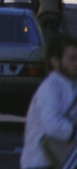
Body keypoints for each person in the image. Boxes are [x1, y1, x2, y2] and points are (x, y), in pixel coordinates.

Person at [21, 33, 77, 169]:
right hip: (41, 162)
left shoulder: (71, 85)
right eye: (72, 59)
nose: (76, 63)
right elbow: (51, 124)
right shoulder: (50, 88)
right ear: (55, 62)